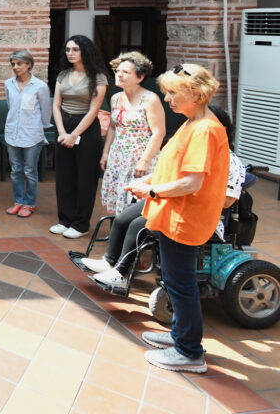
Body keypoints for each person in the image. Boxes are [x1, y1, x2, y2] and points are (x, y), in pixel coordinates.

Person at [124, 64, 229, 374]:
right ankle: (179, 335)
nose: (166, 99)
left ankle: (189, 351)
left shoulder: (206, 129)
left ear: (195, 94)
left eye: (172, 93)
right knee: (174, 280)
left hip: (186, 218)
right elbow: (175, 168)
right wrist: (147, 185)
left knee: (181, 285)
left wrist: (152, 190)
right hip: (174, 215)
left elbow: (192, 183)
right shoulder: (192, 122)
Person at [83, 105, 245, 292]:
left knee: (139, 225)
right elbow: (170, 175)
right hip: (170, 199)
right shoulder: (192, 149)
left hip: (196, 214)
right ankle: (109, 261)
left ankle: (121, 272)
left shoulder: (231, 161)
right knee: (124, 217)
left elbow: (226, 200)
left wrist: (161, 192)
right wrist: (145, 183)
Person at [50, 35, 108, 239]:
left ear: (85, 51)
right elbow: (56, 105)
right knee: (64, 175)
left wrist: (74, 134)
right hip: (63, 125)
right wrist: (62, 132)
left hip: (86, 128)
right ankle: (64, 219)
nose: (71, 53)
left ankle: (80, 223)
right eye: (68, 50)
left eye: (75, 49)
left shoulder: (98, 77)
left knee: (85, 177)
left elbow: (93, 111)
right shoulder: (63, 74)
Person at [99, 52, 166, 215]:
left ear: (140, 77)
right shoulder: (115, 98)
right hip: (118, 156)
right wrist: (106, 153)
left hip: (139, 157)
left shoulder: (150, 99)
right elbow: (113, 127)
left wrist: (144, 161)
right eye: (118, 71)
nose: (119, 75)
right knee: (118, 197)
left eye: (126, 72)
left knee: (136, 202)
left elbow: (158, 133)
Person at [3, 49, 51, 218]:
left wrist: (39, 128)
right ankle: (18, 201)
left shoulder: (40, 86)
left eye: (19, 64)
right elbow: (11, 106)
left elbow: (46, 111)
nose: (15, 67)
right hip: (12, 133)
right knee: (16, 169)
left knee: (30, 170)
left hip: (32, 134)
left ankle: (29, 203)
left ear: (29, 64)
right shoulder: (9, 84)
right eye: (13, 64)